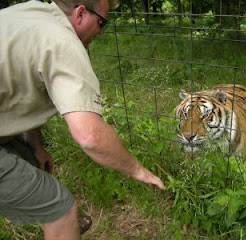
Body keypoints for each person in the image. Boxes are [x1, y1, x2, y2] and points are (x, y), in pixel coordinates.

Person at [0, 0, 166, 239]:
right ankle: (63, 224)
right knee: (60, 208)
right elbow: (90, 137)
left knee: (30, 163)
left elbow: (27, 87)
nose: (101, 31)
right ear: (80, 13)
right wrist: (137, 169)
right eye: (101, 22)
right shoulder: (64, 41)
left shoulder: (30, 12)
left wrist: (35, 144)